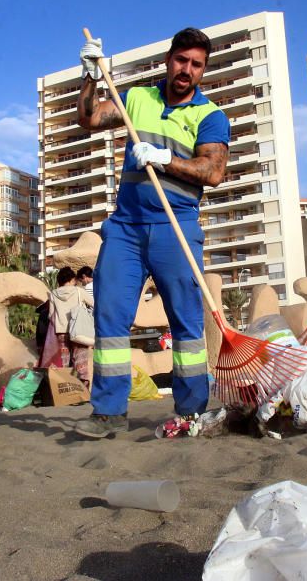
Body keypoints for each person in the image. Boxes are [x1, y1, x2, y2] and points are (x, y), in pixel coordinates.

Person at [74, 27, 229, 438]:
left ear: (202, 71)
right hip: (125, 228)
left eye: (196, 65)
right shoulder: (138, 98)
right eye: (182, 60)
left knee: (186, 322)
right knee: (109, 316)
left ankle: (192, 410)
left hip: (175, 225)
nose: (187, 70)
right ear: (169, 59)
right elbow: (90, 118)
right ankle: (108, 412)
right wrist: (90, 75)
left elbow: (212, 171)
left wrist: (165, 159)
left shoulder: (208, 115)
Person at [49, 266, 94, 388]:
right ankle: (82, 389)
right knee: (80, 361)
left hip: (61, 332)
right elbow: (94, 304)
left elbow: (50, 315)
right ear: (71, 279)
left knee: (64, 362)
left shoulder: (53, 294)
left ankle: (67, 389)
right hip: (78, 330)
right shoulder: (79, 291)